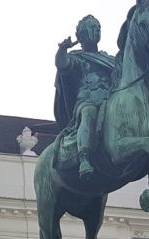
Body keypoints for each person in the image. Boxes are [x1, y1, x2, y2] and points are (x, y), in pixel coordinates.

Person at [54, 15, 115, 180]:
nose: (96, 31)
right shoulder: (77, 58)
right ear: (81, 35)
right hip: (88, 99)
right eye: (91, 28)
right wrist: (62, 49)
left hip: (110, 101)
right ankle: (84, 158)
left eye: (98, 28)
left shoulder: (110, 60)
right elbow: (62, 64)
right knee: (89, 114)